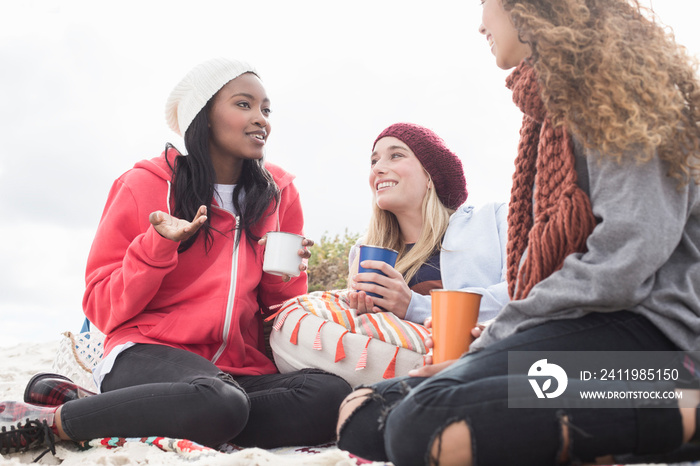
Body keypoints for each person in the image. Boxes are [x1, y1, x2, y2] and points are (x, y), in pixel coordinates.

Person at [336, 1, 700, 465]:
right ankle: (597, 438)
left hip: (653, 340)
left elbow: (624, 260)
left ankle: (680, 402)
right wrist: (489, 351)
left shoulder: (620, 91)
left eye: (486, 4)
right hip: (576, 330)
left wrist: (489, 345)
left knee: (424, 424)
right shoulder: (547, 115)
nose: (480, 21)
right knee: (366, 412)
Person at [0, 58, 351, 457]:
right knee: (219, 401)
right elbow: (101, 307)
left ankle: (121, 409)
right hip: (145, 352)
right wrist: (157, 247)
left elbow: (275, 312)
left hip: (237, 370)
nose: (261, 119)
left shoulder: (279, 194)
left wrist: (286, 274)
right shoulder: (144, 185)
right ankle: (52, 421)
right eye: (243, 105)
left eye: (265, 109)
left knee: (329, 394)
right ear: (203, 116)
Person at [348, 122, 508, 325]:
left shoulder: (492, 220)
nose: (378, 168)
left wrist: (413, 306)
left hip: (481, 353)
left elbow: (519, 294)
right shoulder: (361, 251)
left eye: (396, 155)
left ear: (430, 176)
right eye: (374, 161)